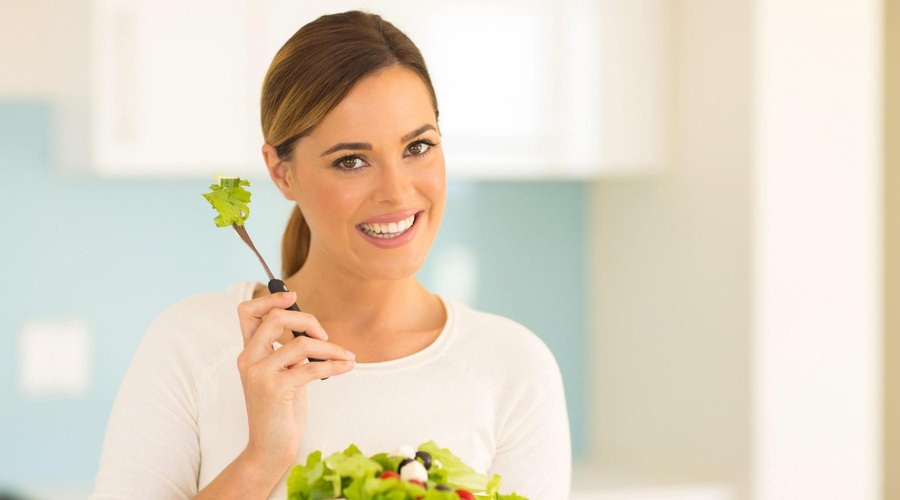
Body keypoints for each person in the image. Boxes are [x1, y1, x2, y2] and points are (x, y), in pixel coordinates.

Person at [90, 10, 570, 500]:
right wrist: (261, 461)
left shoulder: (512, 367)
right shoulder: (193, 345)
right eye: (351, 161)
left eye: (418, 147)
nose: (397, 192)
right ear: (282, 172)